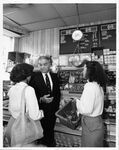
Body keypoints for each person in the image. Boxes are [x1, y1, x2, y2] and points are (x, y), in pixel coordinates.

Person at [4, 63, 44, 147]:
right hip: (24, 129)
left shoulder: (12, 88)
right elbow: (34, 116)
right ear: (28, 76)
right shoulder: (29, 89)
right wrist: (41, 112)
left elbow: (12, 108)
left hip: (12, 126)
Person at [29, 55, 61, 147]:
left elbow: (58, 93)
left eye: (45, 64)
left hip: (53, 111)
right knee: (41, 135)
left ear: (50, 64)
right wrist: (41, 99)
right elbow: (31, 95)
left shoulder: (55, 76)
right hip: (40, 112)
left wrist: (57, 107)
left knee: (50, 132)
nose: (42, 67)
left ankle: (51, 145)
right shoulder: (34, 77)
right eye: (40, 65)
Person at [75, 60, 106, 147]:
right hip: (97, 123)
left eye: (84, 69)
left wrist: (75, 102)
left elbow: (86, 110)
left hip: (90, 125)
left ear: (90, 71)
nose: (82, 71)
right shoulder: (98, 85)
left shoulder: (89, 86)